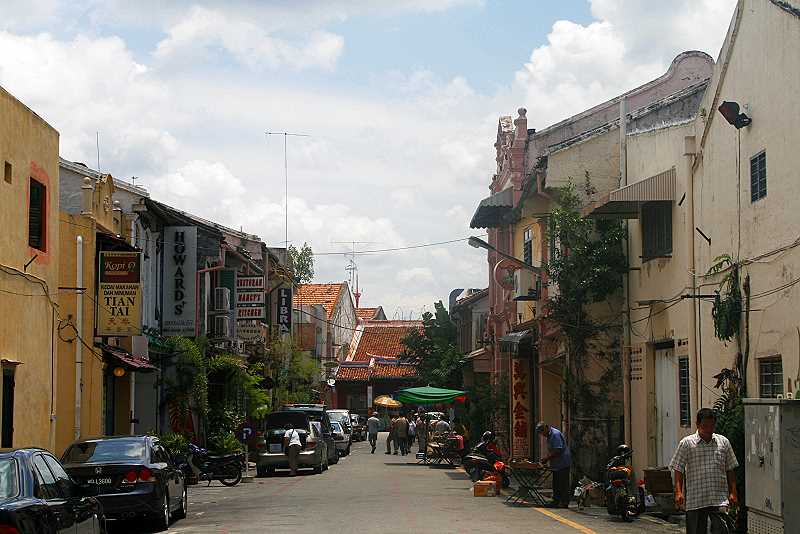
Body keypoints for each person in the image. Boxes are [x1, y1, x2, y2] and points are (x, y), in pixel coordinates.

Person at [670, 408, 739, 534]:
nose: (708, 430)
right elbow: (678, 469)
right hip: (696, 499)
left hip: (718, 498)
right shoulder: (687, 443)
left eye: (711, 426)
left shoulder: (723, 442)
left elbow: (730, 469)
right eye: (705, 426)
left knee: (722, 529)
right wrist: (678, 492)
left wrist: (733, 492)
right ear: (697, 424)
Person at [536, 421, 572, 508]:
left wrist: (547, 458)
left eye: (542, 432)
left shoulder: (555, 434)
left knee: (562, 483)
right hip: (557, 464)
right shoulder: (549, 435)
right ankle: (556, 501)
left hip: (562, 462)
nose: (542, 435)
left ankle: (564, 502)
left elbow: (558, 450)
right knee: (556, 483)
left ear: (546, 428)